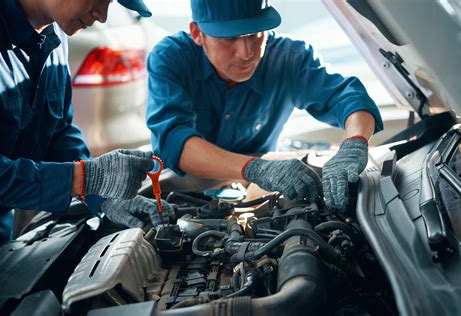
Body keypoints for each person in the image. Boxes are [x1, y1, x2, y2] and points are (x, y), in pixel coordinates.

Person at [146, 0, 383, 212]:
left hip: (261, 182)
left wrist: (355, 143)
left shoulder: (289, 57)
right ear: (197, 33)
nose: (246, 52)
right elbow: (172, 142)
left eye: (255, 34)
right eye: (229, 38)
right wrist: (257, 169)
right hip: (180, 187)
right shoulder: (171, 58)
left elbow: (347, 96)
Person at [0, 0, 170, 249]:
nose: (103, 16)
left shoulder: (54, 39)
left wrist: (103, 195)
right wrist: (81, 178)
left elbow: (58, 133)